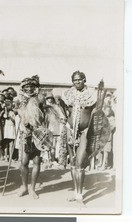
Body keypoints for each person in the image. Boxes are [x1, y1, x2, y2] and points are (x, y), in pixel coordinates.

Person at [62, 70, 98, 205]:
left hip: (85, 131)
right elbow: (66, 112)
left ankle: (80, 196)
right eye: (74, 80)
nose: (77, 82)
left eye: (79, 79)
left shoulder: (92, 95)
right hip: (71, 130)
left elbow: (96, 114)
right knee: (72, 163)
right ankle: (75, 193)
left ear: (84, 80)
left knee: (79, 164)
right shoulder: (68, 95)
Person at [15, 76, 45, 199]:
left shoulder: (40, 98)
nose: (29, 88)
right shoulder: (19, 99)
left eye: (31, 86)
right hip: (25, 133)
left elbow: (45, 114)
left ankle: (32, 189)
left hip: (37, 132)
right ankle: (24, 187)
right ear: (23, 88)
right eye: (26, 87)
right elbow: (15, 111)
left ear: (35, 87)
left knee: (37, 161)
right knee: (24, 162)